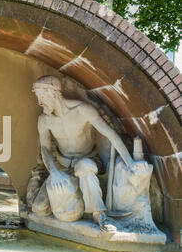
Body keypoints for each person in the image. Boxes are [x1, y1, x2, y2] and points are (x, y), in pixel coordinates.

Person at [33, 75, 135, 232]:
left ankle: (99, 214)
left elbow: (111, 135)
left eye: (42, 96)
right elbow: (45, 149)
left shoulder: (82, 110)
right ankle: (75, 193)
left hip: (89, 160)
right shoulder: (44, 120)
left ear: (53, 93)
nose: (39, 102)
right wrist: (54, 172)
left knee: (84, 166)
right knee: (39, 208)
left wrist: (130, 163)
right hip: (62, 166)